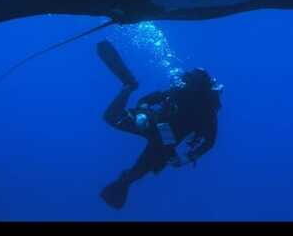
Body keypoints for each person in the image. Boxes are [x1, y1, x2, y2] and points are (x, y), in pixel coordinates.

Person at [96, 40, 224, 209]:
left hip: (164, 142)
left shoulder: (207, 111)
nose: (186, 81)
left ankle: (121, 186)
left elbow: (210, 142)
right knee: (112, 118)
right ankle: (129, 85)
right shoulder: (181, 91)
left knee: (136, 171)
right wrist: (142, 111)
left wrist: (187, 158)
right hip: (157, 129)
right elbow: (149, 99)